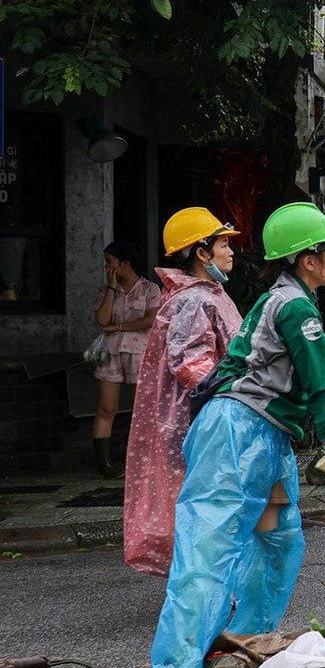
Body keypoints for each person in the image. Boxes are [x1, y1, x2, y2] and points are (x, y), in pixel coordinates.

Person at [150, 203, 325, 668]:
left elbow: (321, 389)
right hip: (235, 435)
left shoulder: (290, 302)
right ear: (308, 260)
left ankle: (244, 642)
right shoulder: (295, 308)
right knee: (210, 547)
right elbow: (320, 387)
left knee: (278, 541)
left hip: (266, 439)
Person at [122, 209, 243, 577]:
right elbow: (191, 365)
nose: (231, 251)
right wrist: (235, 394)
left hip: (207, 418)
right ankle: (204, 586)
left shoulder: (207, 294)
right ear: (202, 253)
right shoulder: (194, 300)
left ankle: (208, 583)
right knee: (206, 508)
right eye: (223, 244)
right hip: (202, 421)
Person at [91, 242, 162, 477]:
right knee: (106, 407)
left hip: (139, 352)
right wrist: (111, 288)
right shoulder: (106, 291)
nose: (107, 268)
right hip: (110, 353)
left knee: (142, 408)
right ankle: (105, 465)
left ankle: (143, 462)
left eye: (110, 262)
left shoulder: (150, 289)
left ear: (125, 263)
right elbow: (102, 320)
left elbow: (150, 320)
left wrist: (119, 327)